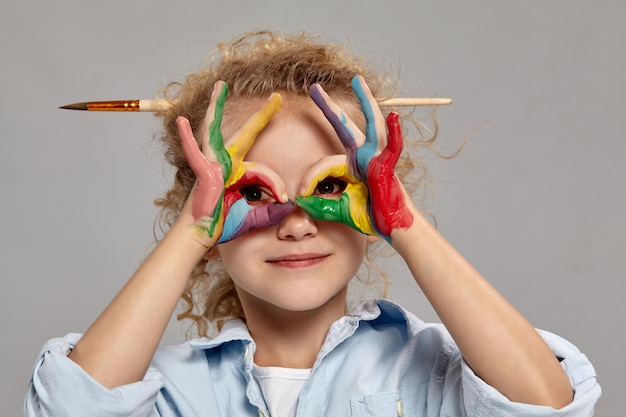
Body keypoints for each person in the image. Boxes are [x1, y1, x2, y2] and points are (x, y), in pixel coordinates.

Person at [24, 30, 600, 417]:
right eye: (252, 190)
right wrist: (190, 232)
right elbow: (71, 408)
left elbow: (547, 404)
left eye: (329, 188)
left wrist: (406, 224)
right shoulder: (166, 390)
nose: (297, 224)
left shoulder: (432, 372)